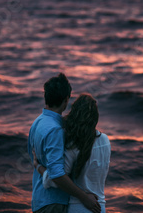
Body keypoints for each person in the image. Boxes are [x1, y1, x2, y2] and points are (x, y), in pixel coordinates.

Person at [28, 73, 101, 213]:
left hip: (39, 198)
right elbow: (57, 175)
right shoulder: (56, 130)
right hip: (54, 203)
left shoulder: (37, 122)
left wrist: (38, 166)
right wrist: (84, 197)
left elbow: (34, 158)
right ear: (66, 99)